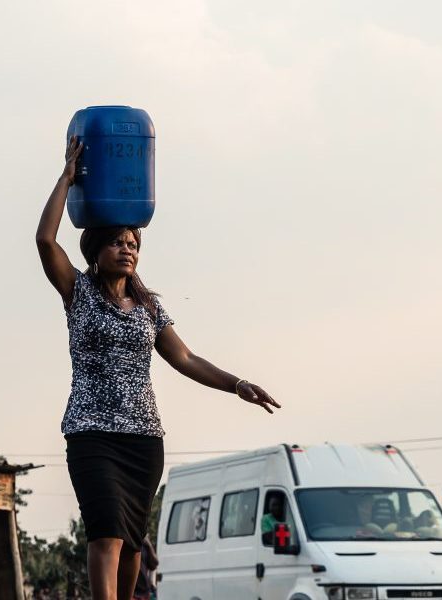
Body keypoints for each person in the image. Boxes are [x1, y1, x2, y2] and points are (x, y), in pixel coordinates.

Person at [36, 137, 281, 600]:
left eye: (133, 244)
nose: (127, 250)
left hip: (144, 440)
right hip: (92, 433)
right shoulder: (79, 294)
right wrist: (68, 178)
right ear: (95, 249)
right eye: (117, 243)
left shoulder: (149, 307)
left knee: (130, 542)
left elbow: (185, 358)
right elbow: (45, 240)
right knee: (105, 531)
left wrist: (239, 385)